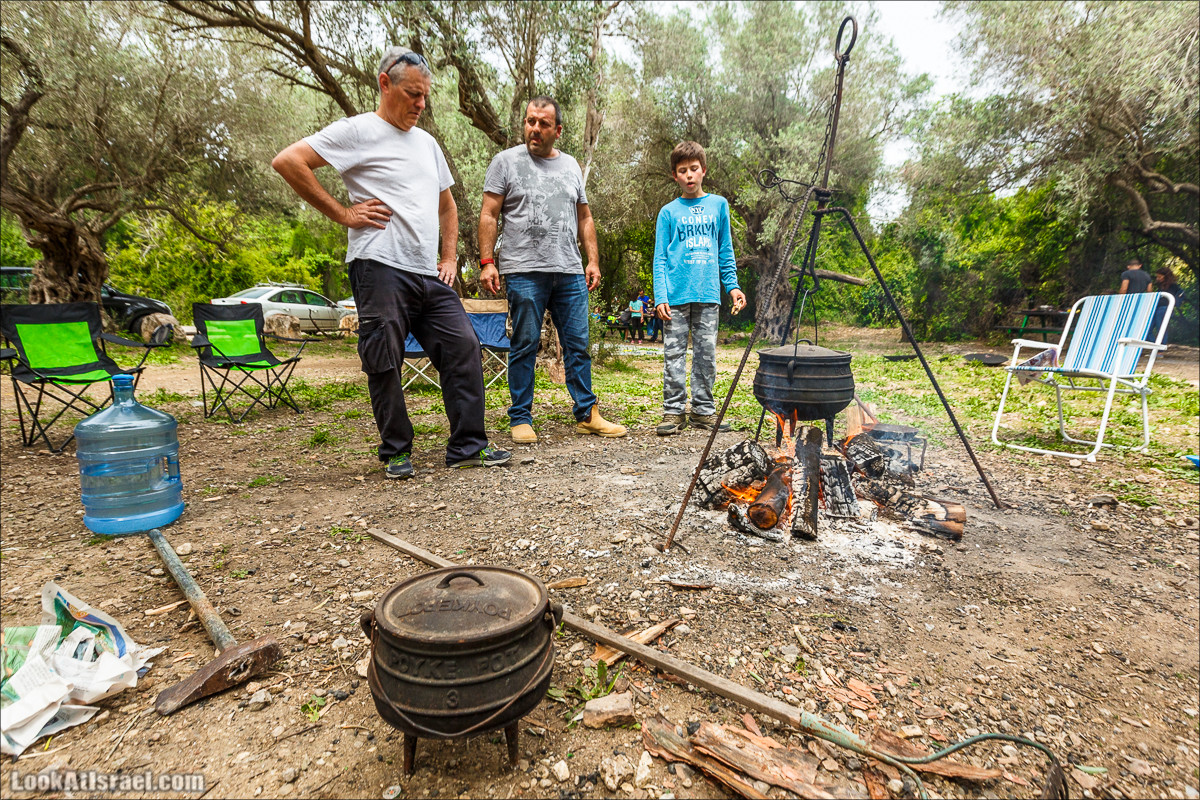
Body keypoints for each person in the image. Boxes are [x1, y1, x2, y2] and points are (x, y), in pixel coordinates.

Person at [271, 47, 511, 478]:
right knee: (384, 357)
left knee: (463, 347)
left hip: (427, 274)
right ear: (385, 84)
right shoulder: (357, 131)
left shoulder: (427, 143)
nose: (421, 104)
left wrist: (450, 257)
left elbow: (448, 207)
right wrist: (343, 214)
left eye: (425, 96)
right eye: (413, 94)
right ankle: (396, 450)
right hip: (378, 265)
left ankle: (468, 447)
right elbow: (289, 161)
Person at [478, 96, 627, 444]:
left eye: (544, 123)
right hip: (523, 269)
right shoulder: (505, 163)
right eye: (531, 121)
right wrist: (487, 262)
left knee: (578, 344)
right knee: (525, 342)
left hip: (569, 270)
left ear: (557, 130)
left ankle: (587, 414)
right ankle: (520, 417)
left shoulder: (571, 166)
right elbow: (488, 214)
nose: (535, 128)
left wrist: (592, 260)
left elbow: (585, 216)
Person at [652, 141, 746, 435]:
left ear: (703, 170)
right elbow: (660, 257)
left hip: (708, 295)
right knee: (674, 356)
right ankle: (674, 411)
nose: (689, 175)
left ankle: (703, 412)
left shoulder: (719, 205)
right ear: (675, 175)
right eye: (683, 171)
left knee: (706, 356)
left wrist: (732, 286)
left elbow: (725, 249)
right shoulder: (668, 212)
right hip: (676, 296)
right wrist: (660, 296)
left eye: (694, 169)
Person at [1151, 266, 1183, 344]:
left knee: (1161, 329)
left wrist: (1175, 304)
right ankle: (1156, 346)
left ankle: (1160, 349)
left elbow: (1180, 294)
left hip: (1164, 309)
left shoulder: (1173, 286)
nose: (1157, 278)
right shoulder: (1161, 286)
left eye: (1159, 276)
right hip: (1157, 309)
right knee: (1147, 329)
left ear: (1165, 276)